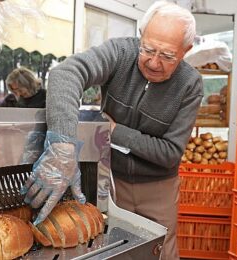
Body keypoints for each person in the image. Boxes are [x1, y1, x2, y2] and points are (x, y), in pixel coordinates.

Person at [20, 1, 203, 259]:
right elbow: (66, 73)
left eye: (168, 56)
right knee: (114, 249)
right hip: (110, 180)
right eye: (148, 49)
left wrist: (113, 130)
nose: (153, 62)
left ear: (186, 50)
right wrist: (62, 145)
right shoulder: (121, 52)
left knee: (160, 251)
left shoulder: (190, 84)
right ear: (142, 36)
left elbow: (170, 153)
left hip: (158, 188)